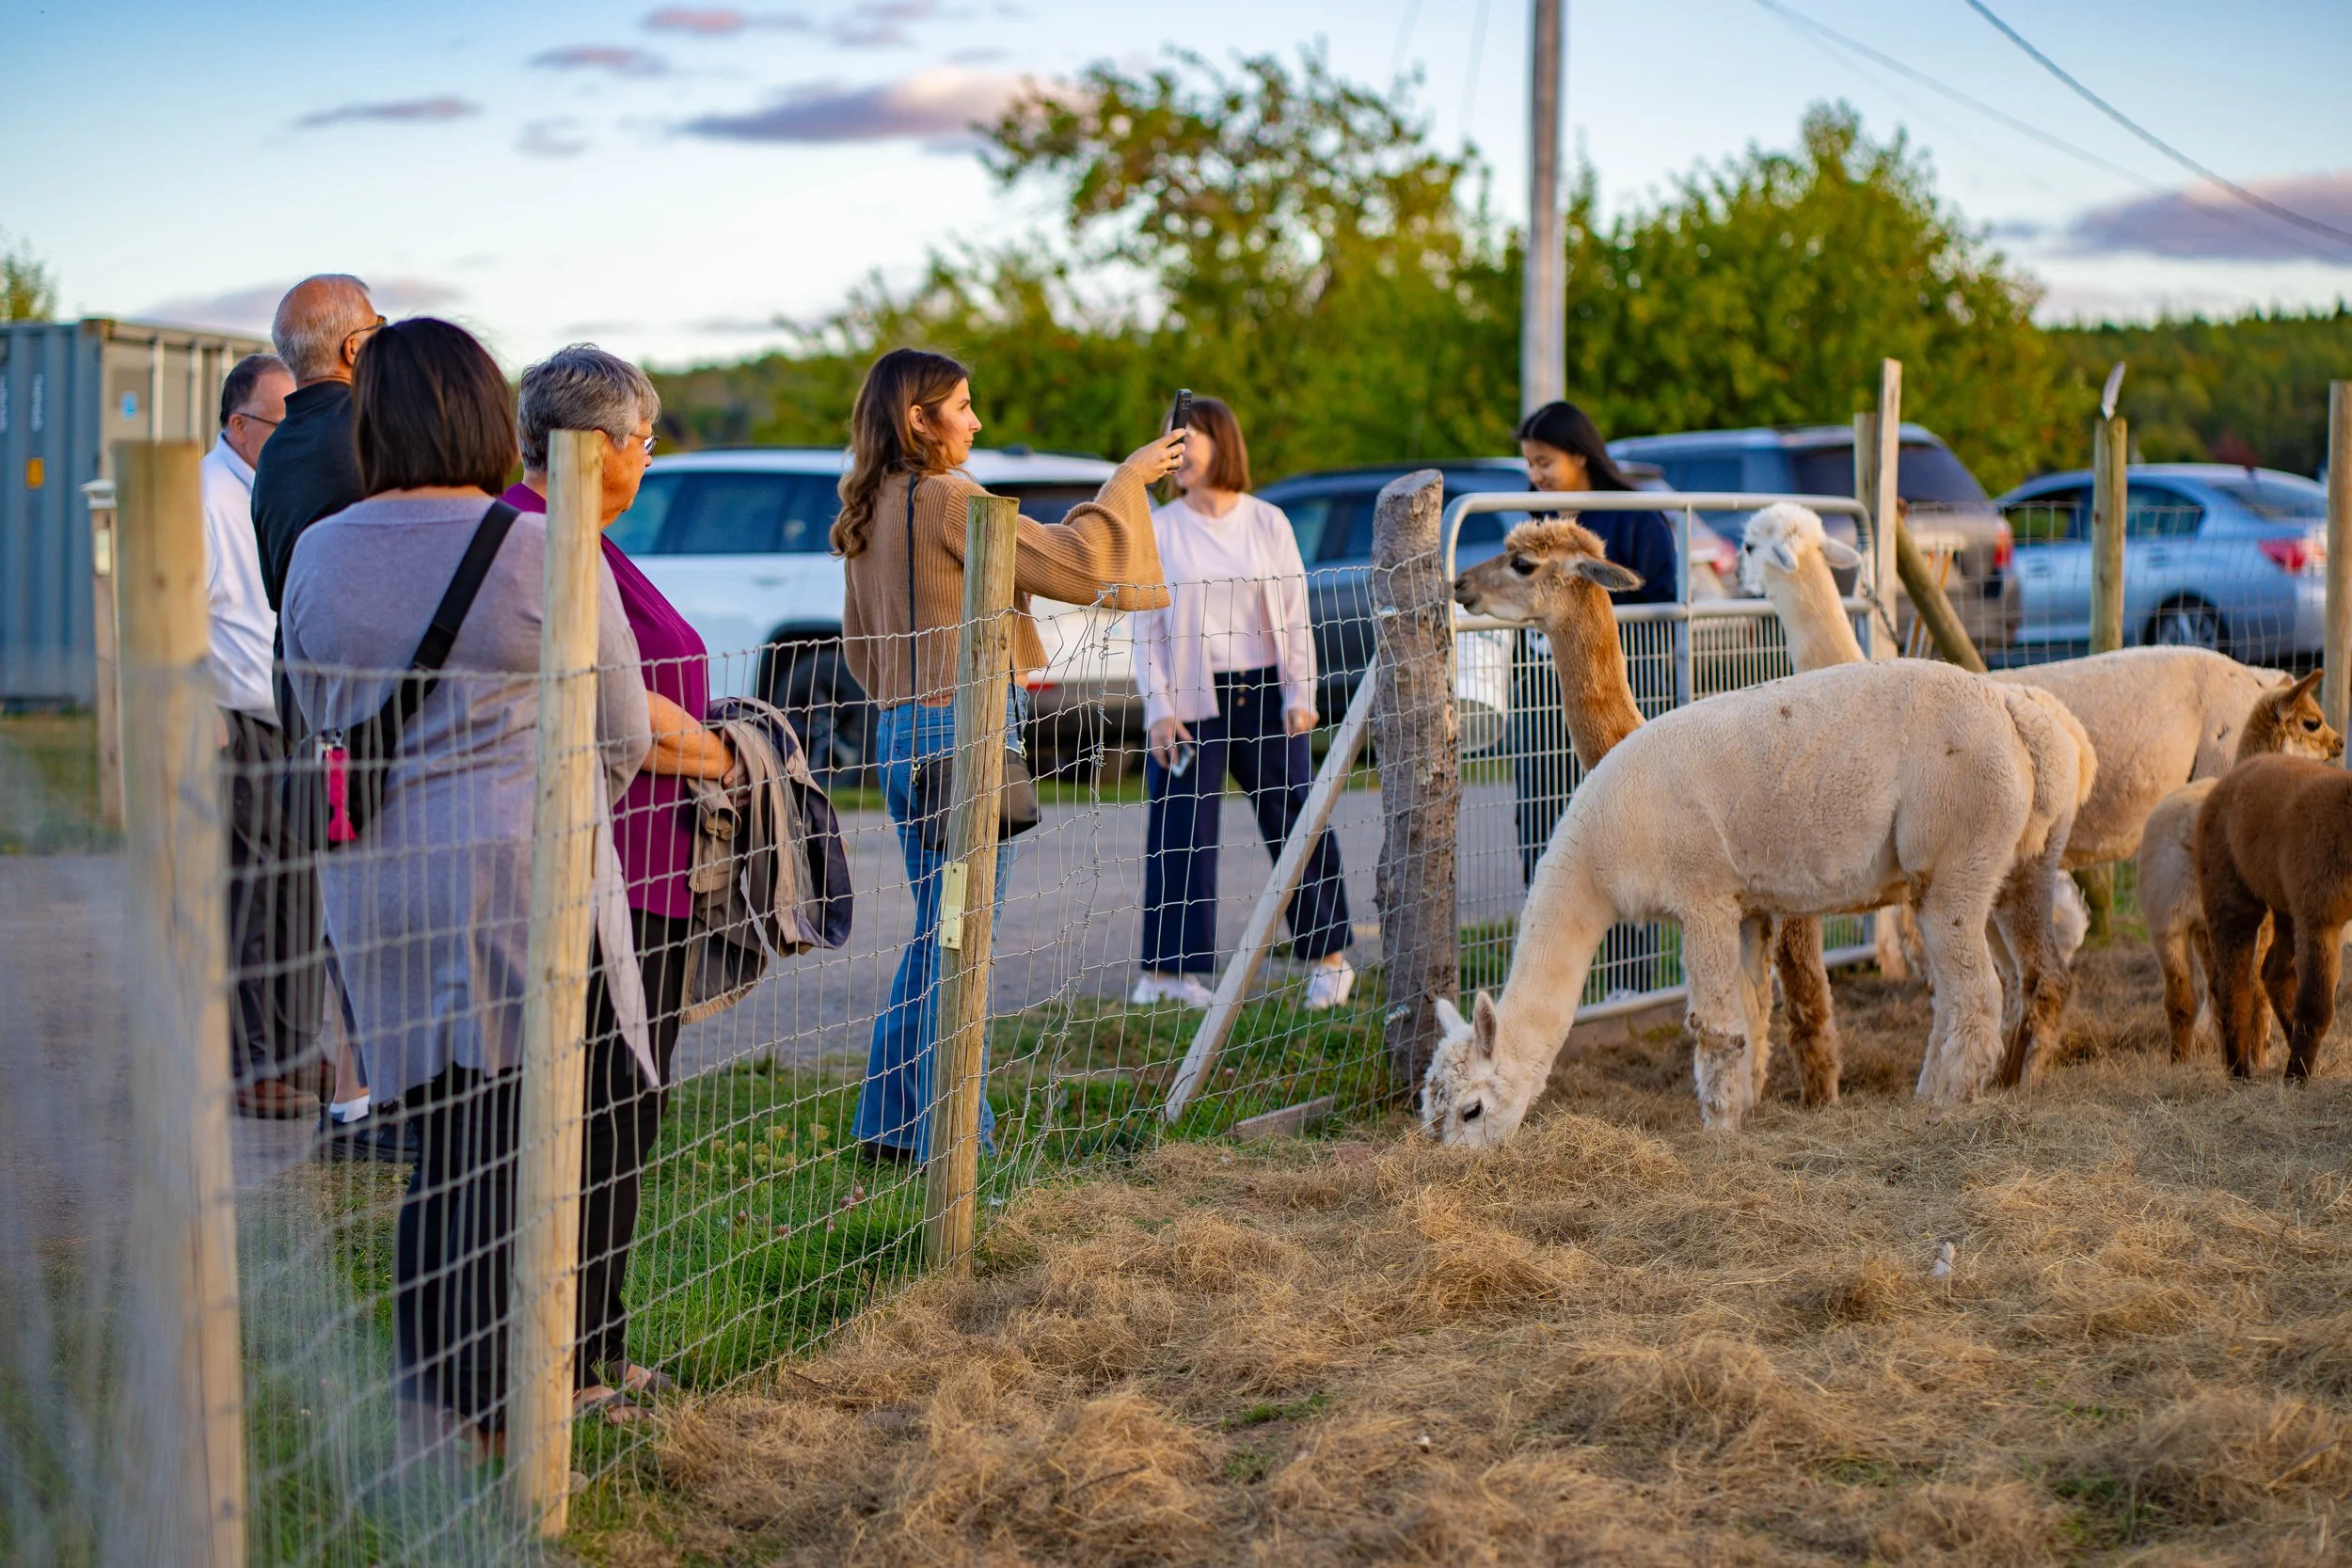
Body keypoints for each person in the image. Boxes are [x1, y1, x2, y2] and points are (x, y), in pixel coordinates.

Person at [280, 318, 652, 1457]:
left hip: (374, 882)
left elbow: (312, 709)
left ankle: (432, 1392)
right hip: (518, 881)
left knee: (445, 1138)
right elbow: (625, 731)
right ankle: (508, 1397)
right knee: (555, 1129)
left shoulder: (318, 549)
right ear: (491, 417)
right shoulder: (542, 550)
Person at [834, 347, 1181, 1165]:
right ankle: (956, 1139)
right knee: (962, 935)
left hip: (900, 734)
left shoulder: (870, 502)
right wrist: (1127, 479)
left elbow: (857, 646)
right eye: (962, 405)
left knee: (937, 926)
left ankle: (891, 1122)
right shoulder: (952, 500)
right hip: (963, 738)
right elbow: (1076, 561)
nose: (976, 420)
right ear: (918, 419)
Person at [504, 343, 729, 1416]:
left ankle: (595, 1342)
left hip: (642, 870)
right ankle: (572, 1362)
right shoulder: (547, 540)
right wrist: (741, 757)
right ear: (596, 447)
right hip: (608, 876)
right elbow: (627, 721)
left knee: (620, 1115)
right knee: (599, 1114)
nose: (647, 459)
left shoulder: (584, 537)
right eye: (643, 439)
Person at [1130, 397, 1355, 1011]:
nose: (1174, 453)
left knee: (1296, 820)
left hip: (1265, 697)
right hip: (1189, 699)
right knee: (1183, 829)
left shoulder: (1268, 523)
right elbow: (1145, 628)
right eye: (1167, 442)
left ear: (1220, 442)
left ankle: (1330, 960)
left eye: (1186, 439)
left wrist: (1300, 695)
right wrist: (1158, 707)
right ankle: (1170, 974)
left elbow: (1294, 615)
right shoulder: (1161, 528)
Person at [250, 273, 394, 1155]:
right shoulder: (370, 439)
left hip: (303, 699)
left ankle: (350, 1097)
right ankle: (369, 1100)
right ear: (351, 349)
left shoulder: (276, 453)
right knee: (379, 899)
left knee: (342, 900)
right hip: (372, 707)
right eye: (377, 328)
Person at [1508, 401, 1677, 998]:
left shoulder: (1637, 519)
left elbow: (1659, 601)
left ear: (1580, 454)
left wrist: (1585, 618)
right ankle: (1550, 983)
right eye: (1530, 464)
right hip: (1544, 694)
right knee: (1542, 819)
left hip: (1616, 689)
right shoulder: (1538, 520)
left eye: (1545, 461)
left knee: (1627, 827)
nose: (1537, 475)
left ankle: (1628, 982)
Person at [201, 352, 314, 1118]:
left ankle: (291, 1052)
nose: (293, 435)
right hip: (235, 721)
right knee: (250, 901)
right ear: (241, 426)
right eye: (283, 421)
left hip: (284, 720)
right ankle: (248, 1067)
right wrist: (196, 703)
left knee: (293, 892)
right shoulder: (204, 496)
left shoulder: (265, 486)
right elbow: (169, 608)